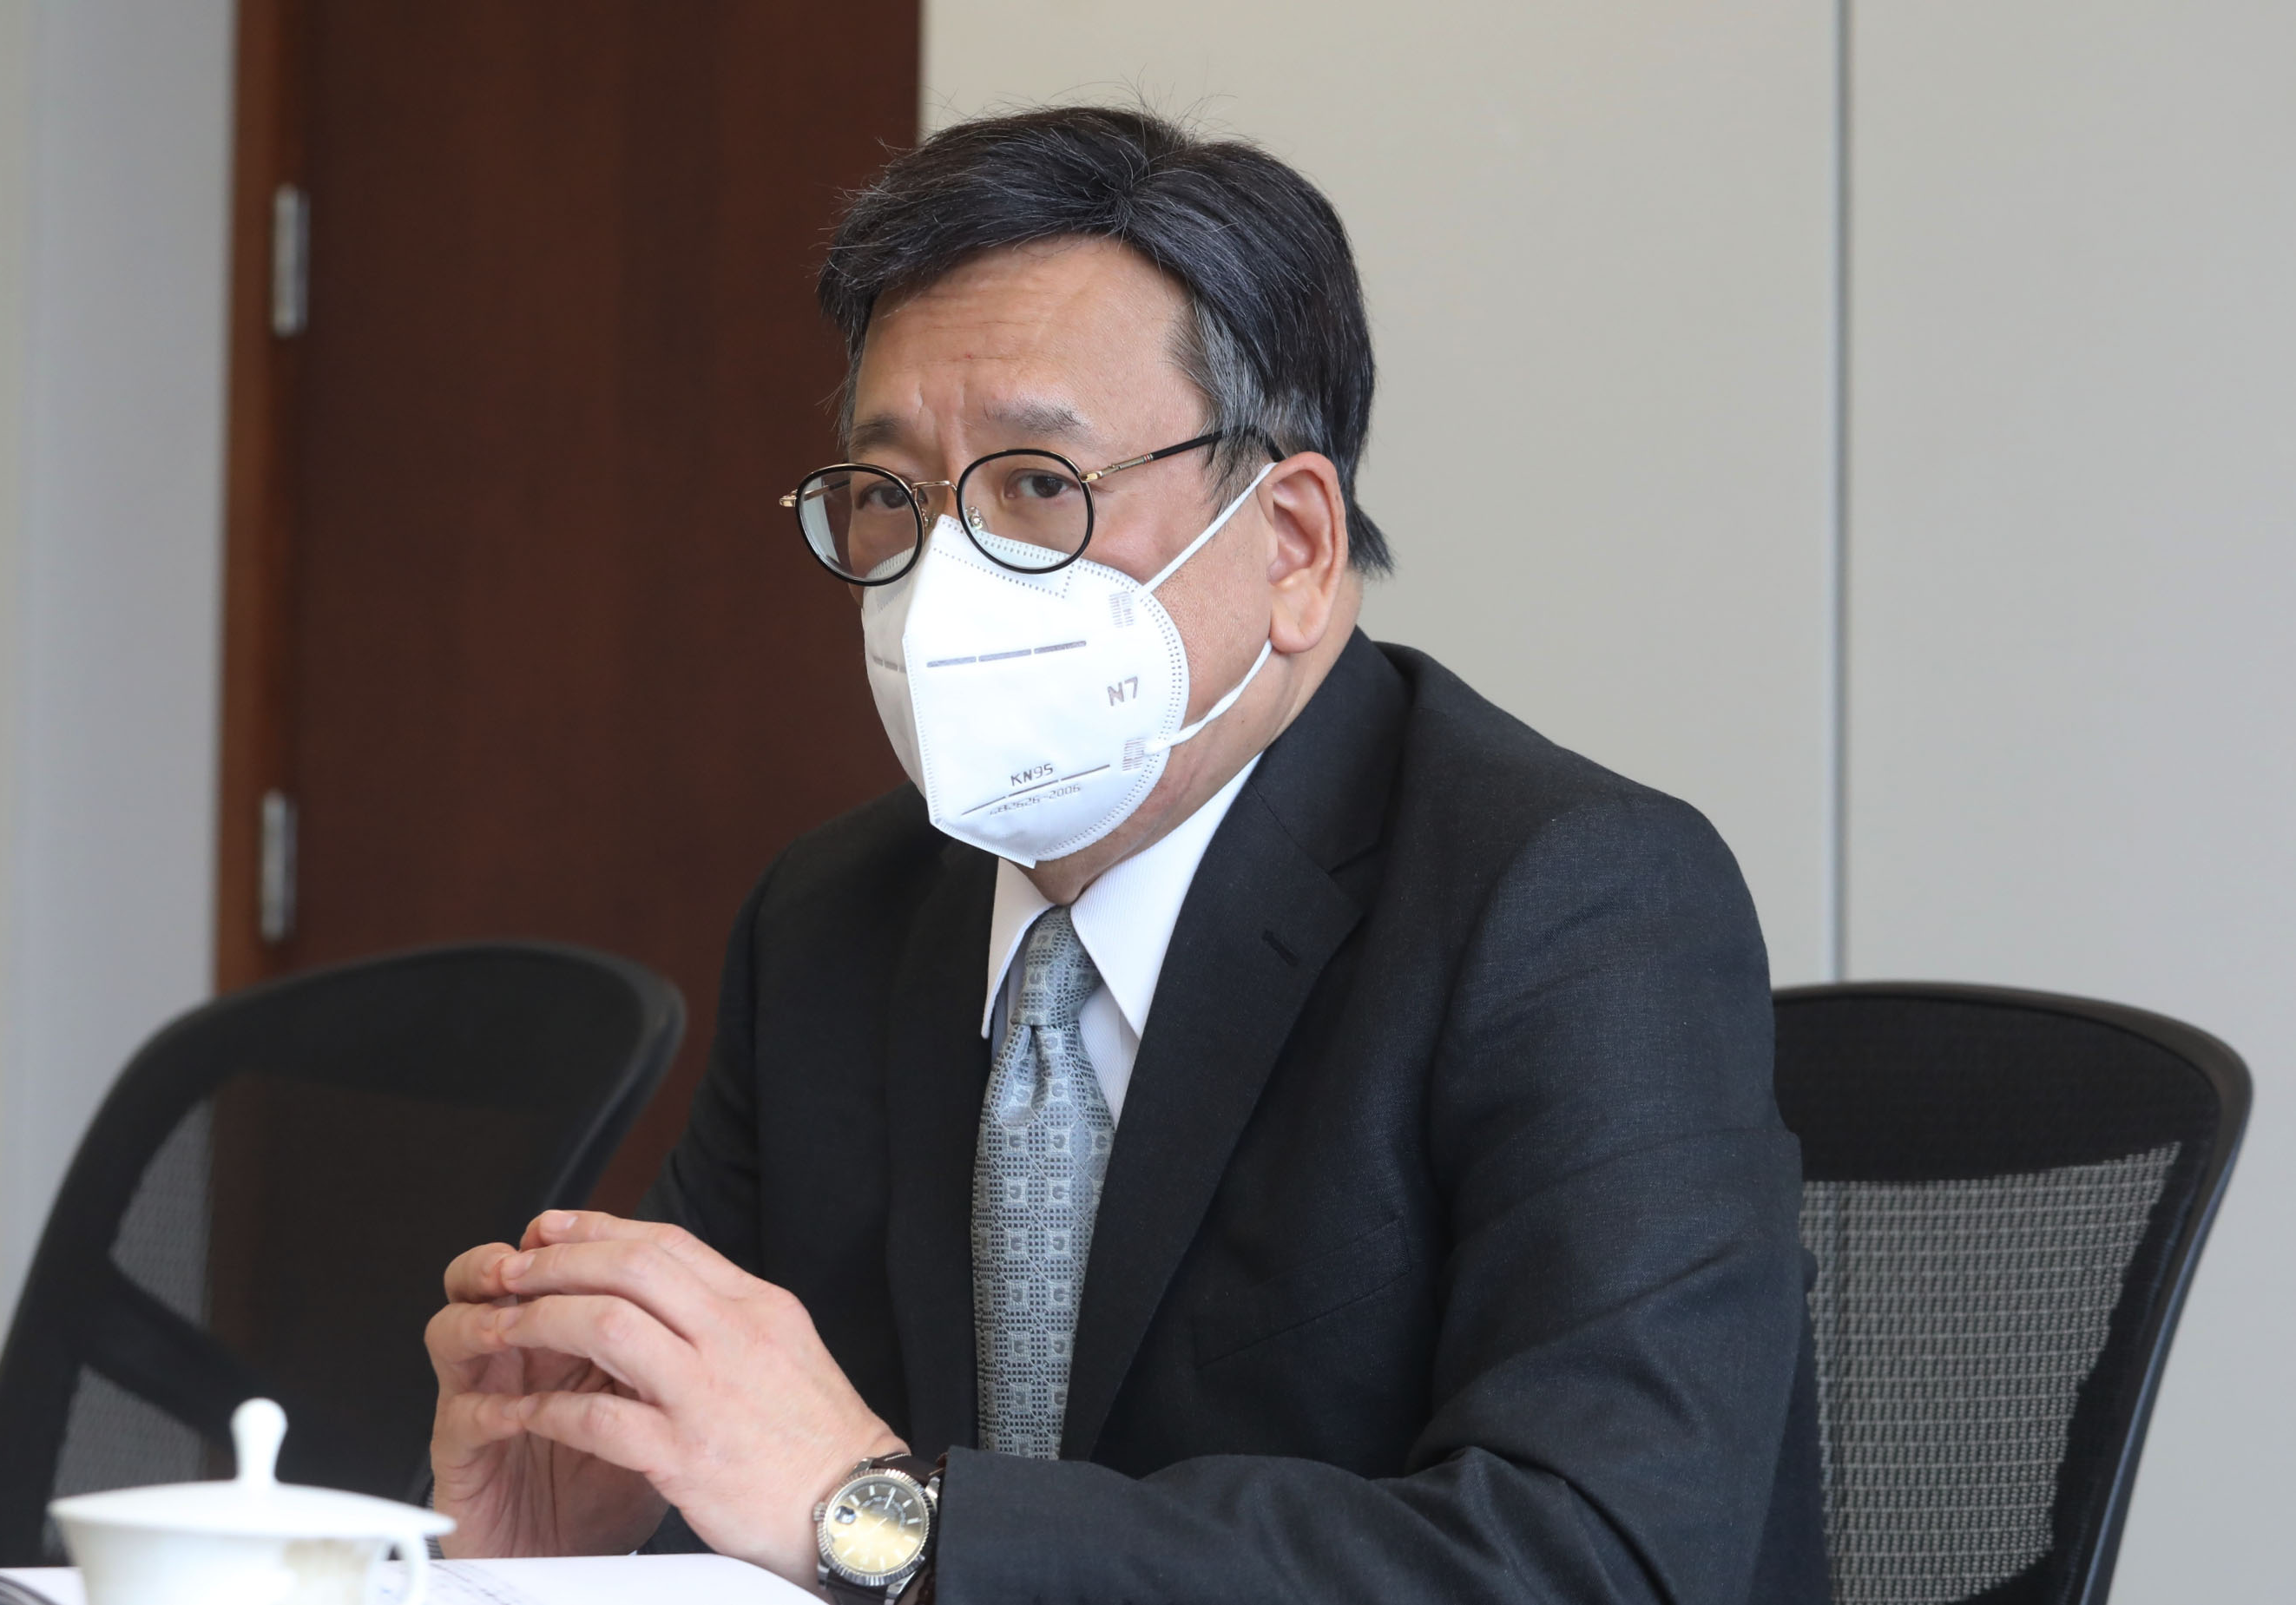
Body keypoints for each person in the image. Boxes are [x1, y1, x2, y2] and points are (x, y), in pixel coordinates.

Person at [424, 106, 1826, 1604]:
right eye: (892, 498)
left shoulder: (1572, 903)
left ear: (1292, 545)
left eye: (1039, 485)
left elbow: (1598, 1557)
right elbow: (738, 1477)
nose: (944, 580)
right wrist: (557, 1552)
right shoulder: (830, 921)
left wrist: (887, 1517)